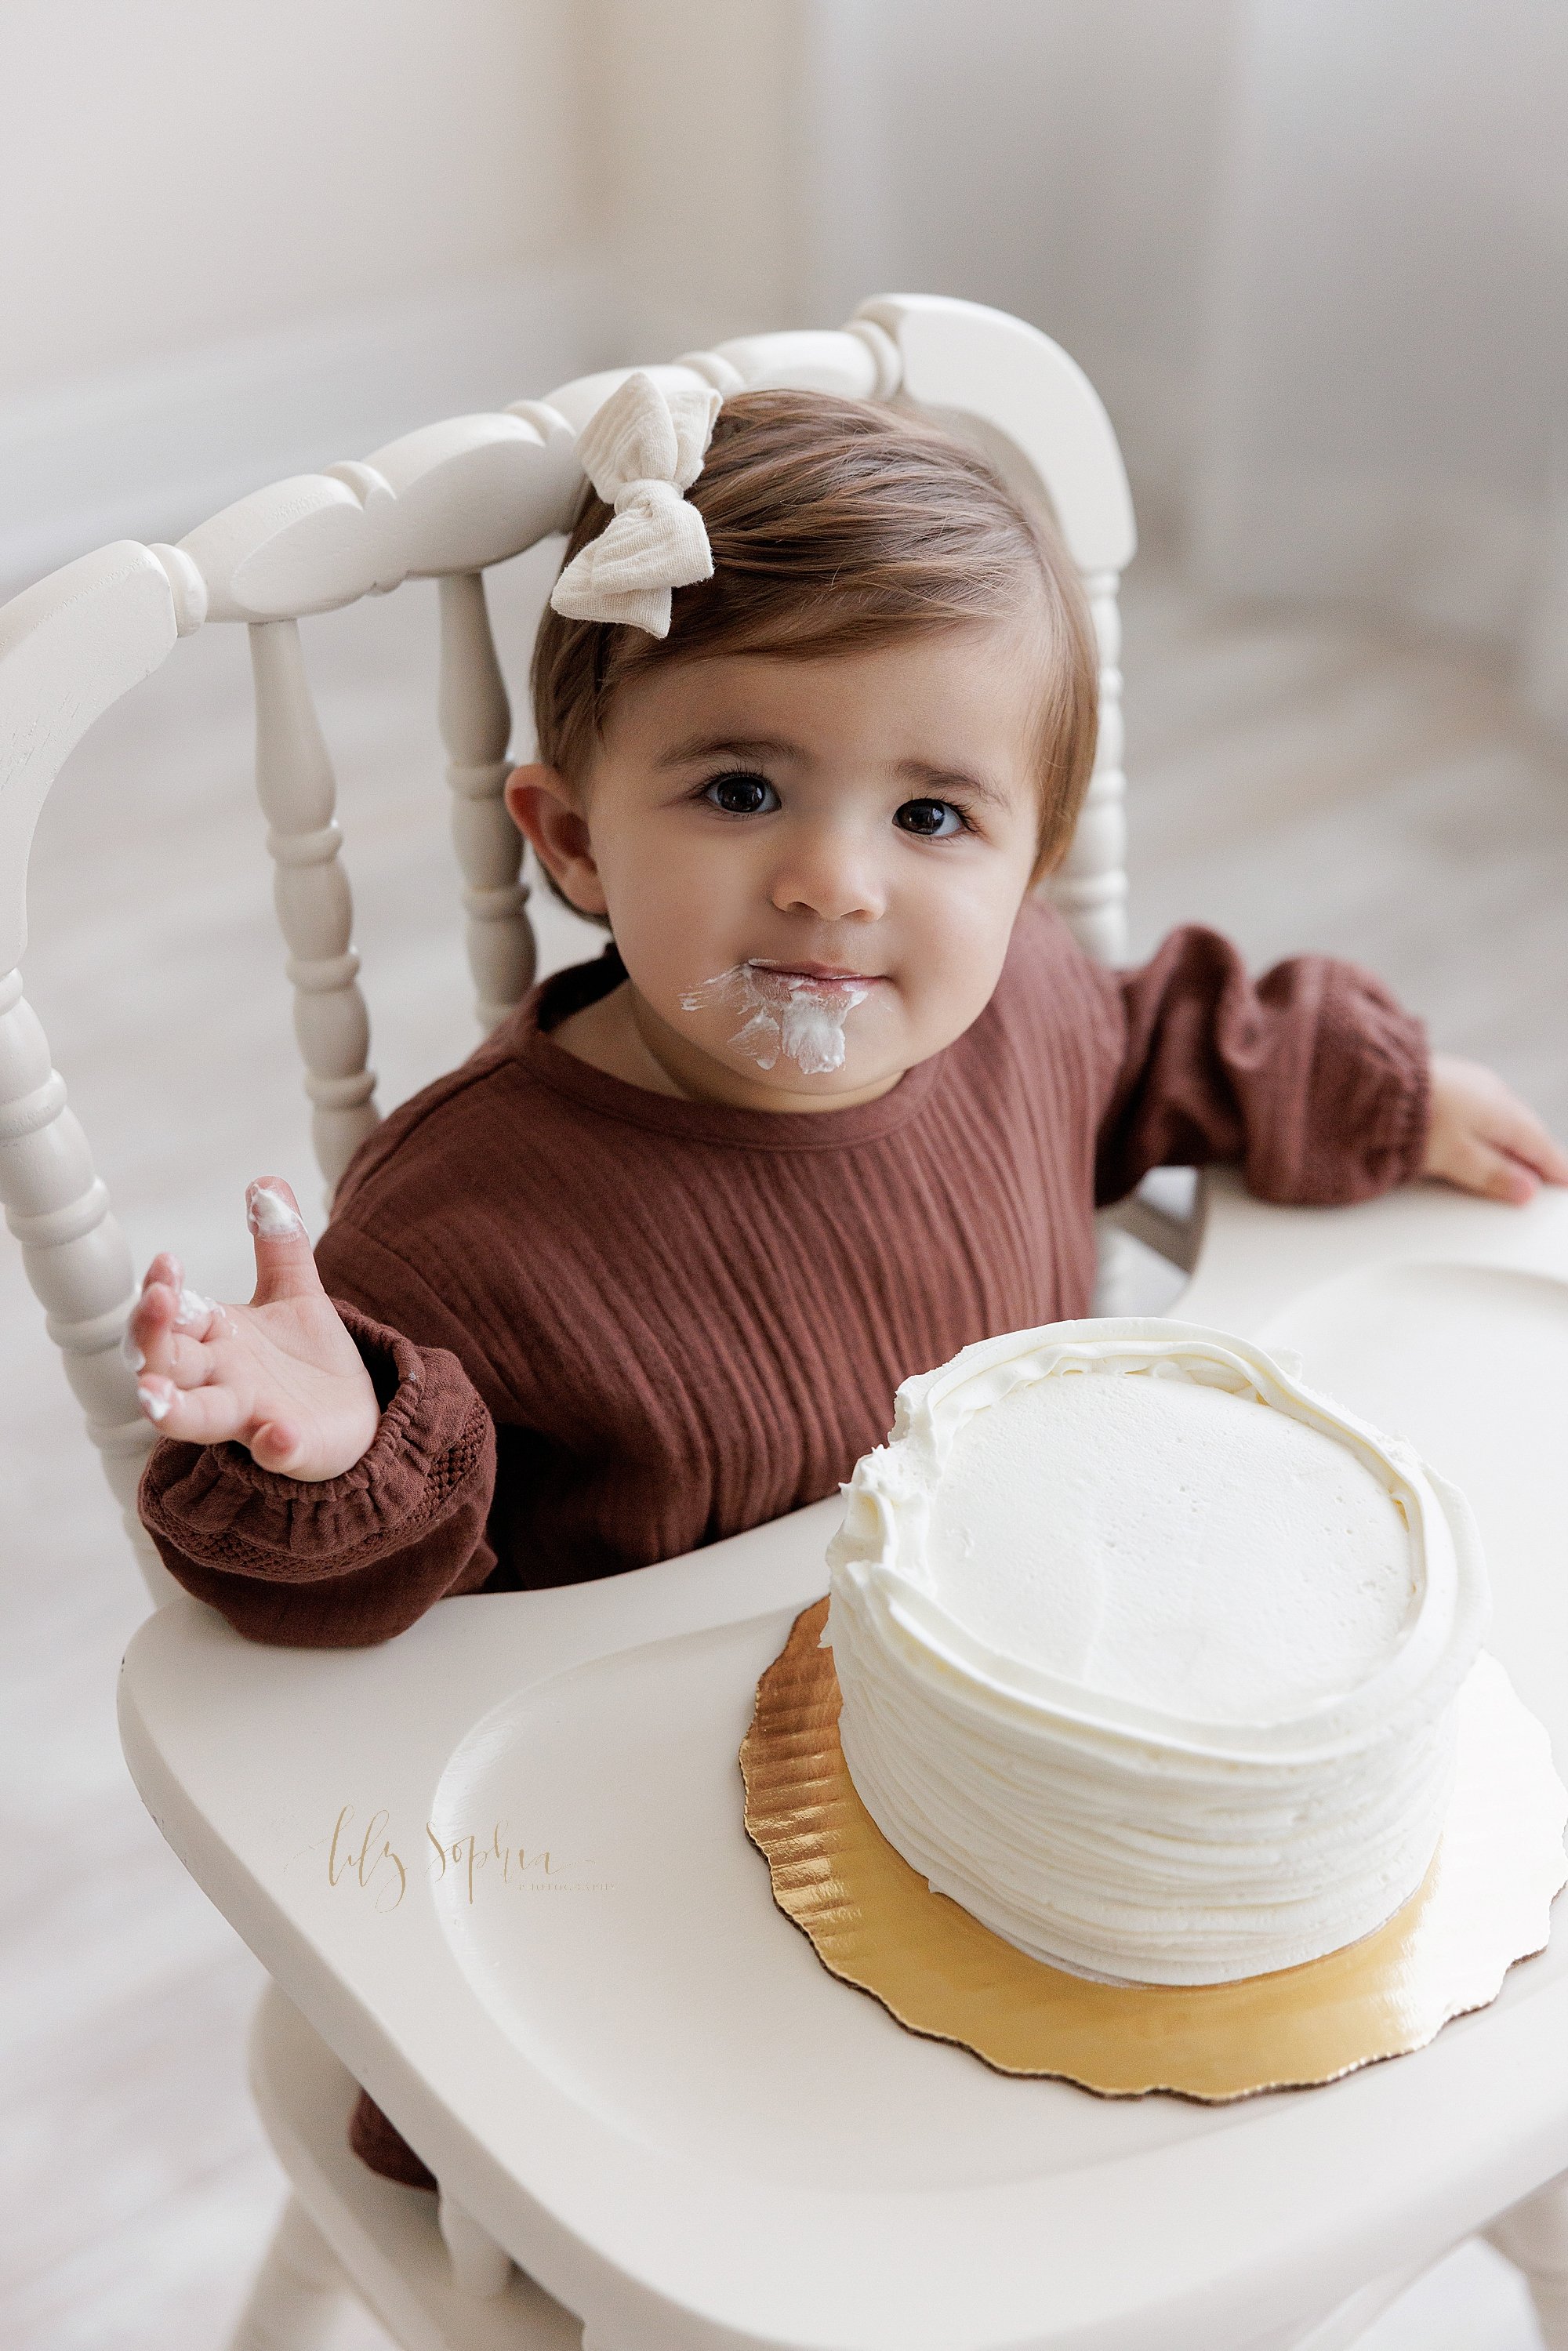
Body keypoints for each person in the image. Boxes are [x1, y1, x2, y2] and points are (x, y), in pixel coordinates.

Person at [129, 375, 1567, 2186]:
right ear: (570, 839)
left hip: (1034, 1826)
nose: (830, 881)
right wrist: (327, 1456)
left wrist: (1373, 1088)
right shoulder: (465, 1226)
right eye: (742, 790)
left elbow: (1164, 1043)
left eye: (933, 819)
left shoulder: (1027, 1009)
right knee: (652, 2197)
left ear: (1029, 869)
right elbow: (341, 1606)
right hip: (650, 1893)